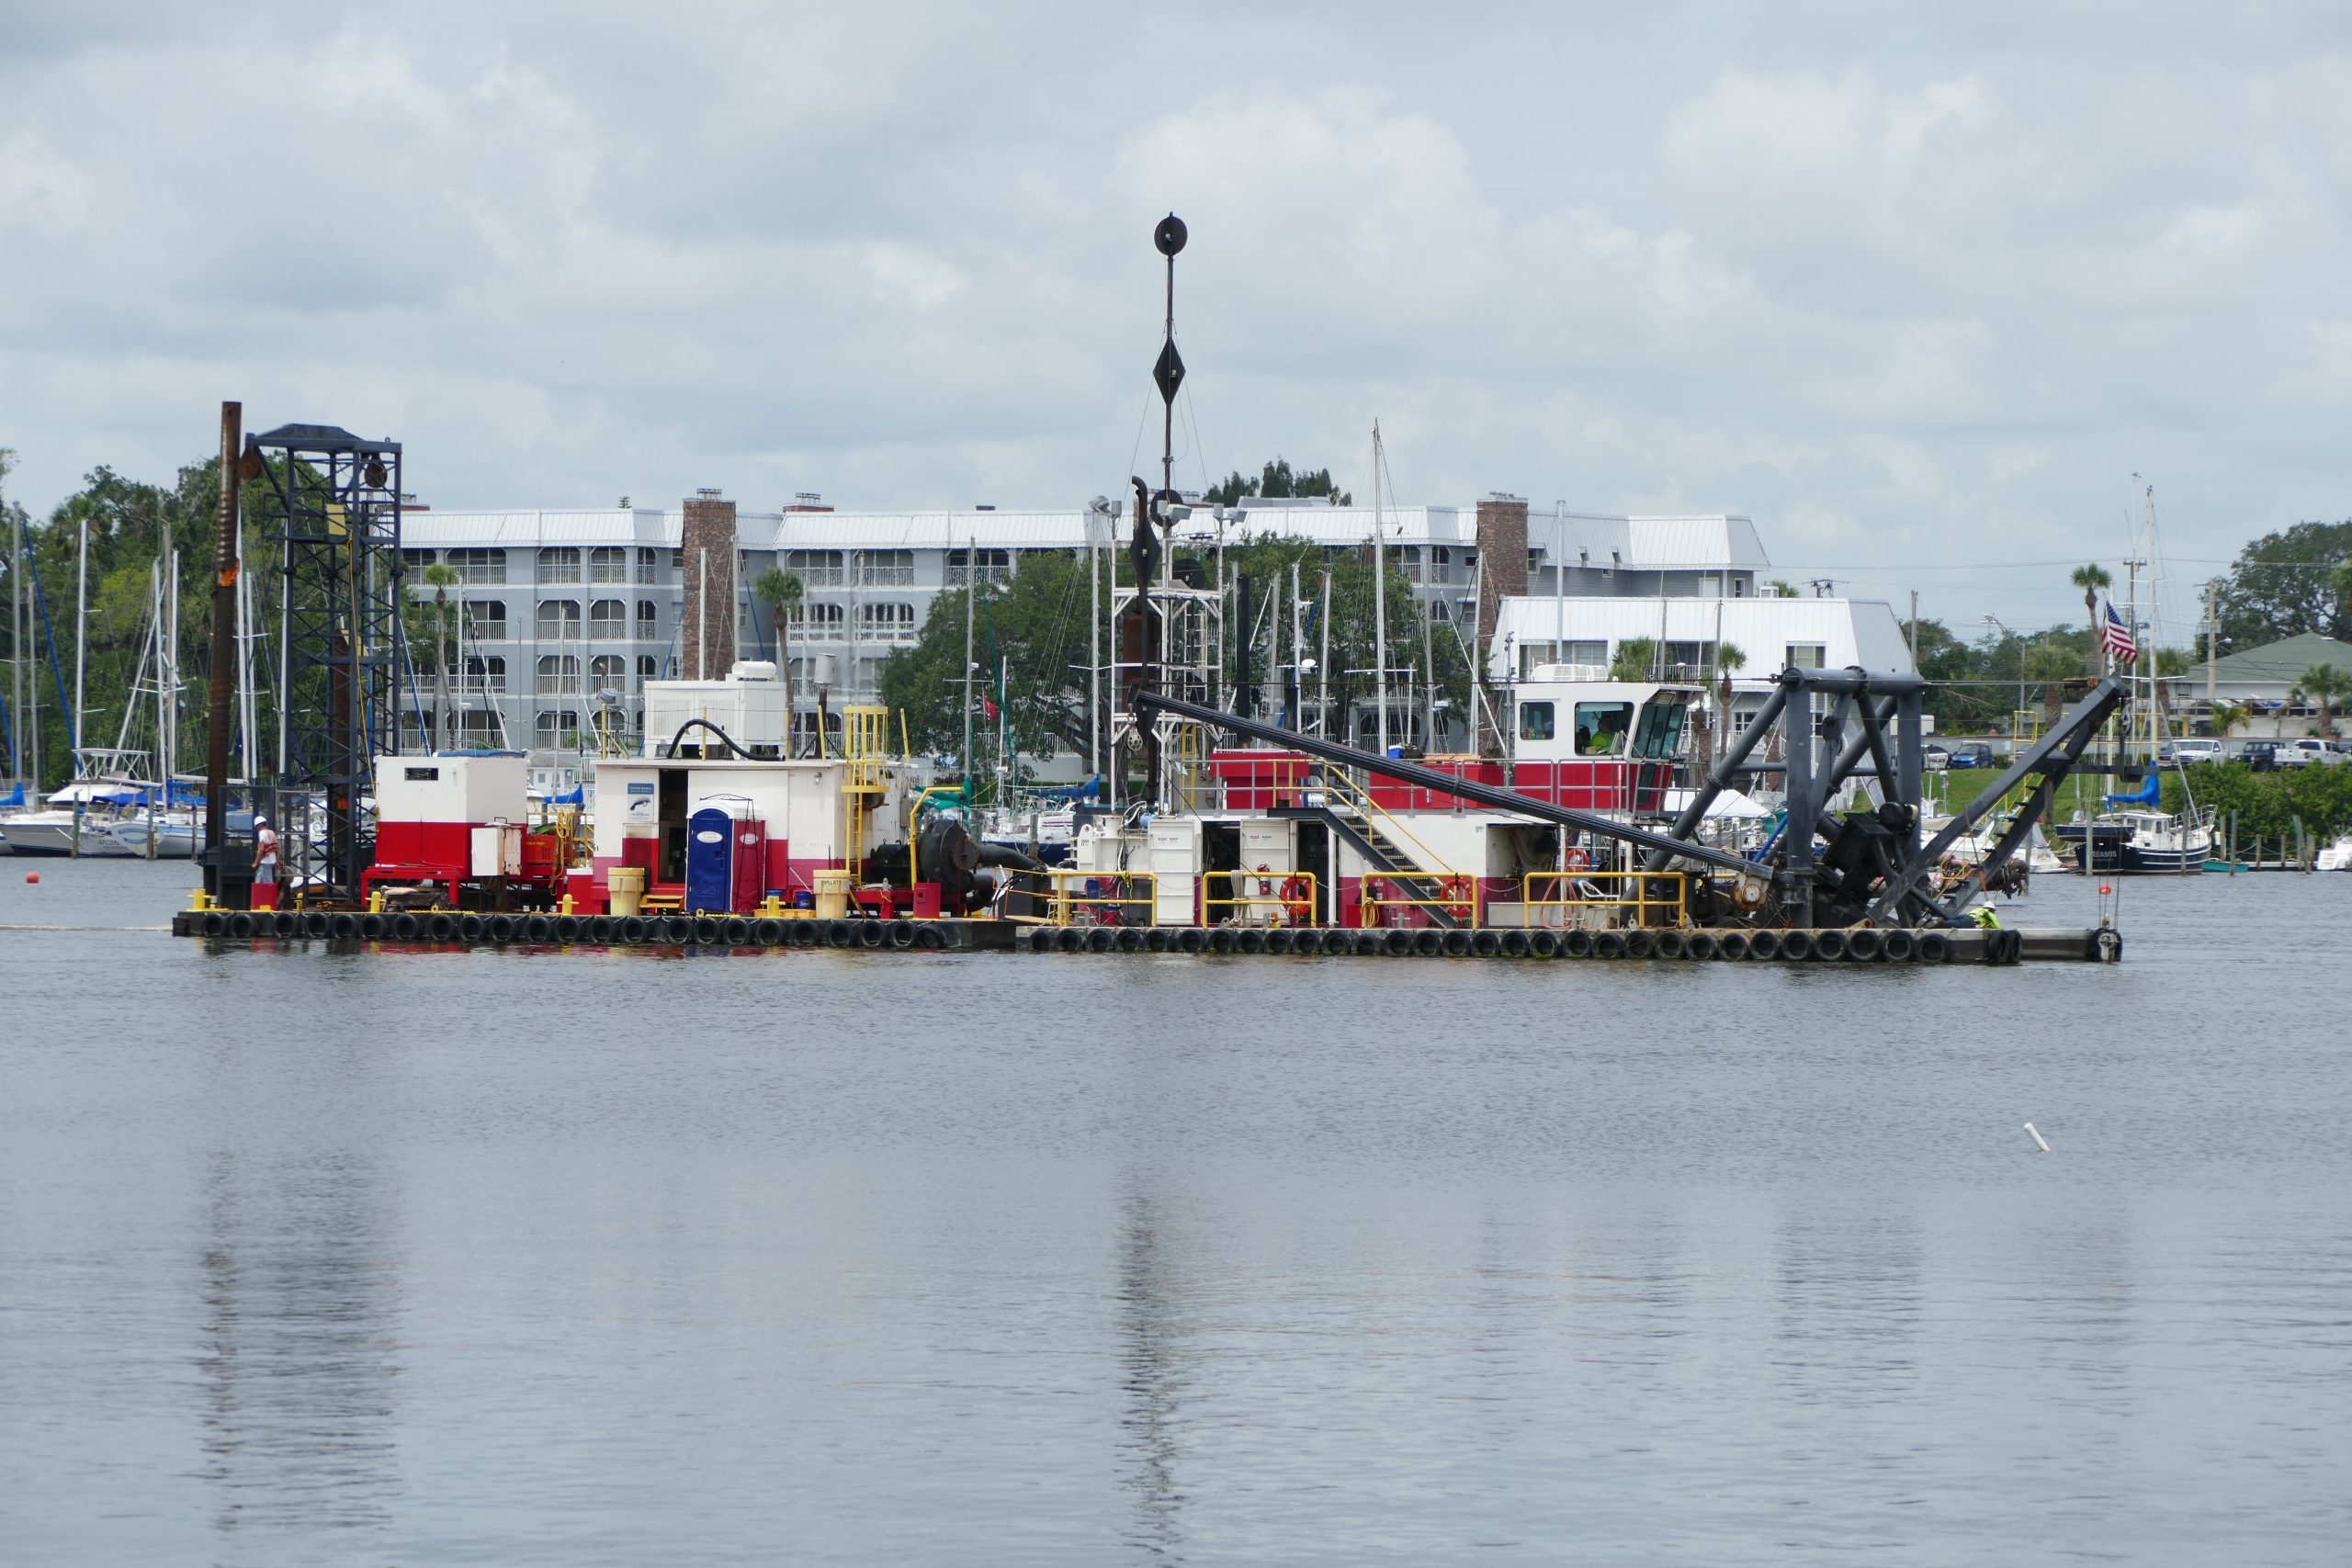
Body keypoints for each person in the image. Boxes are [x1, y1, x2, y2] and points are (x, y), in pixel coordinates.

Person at [252, 814, 279, 911]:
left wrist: (256, 862)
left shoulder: (262, 833)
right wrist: (277, 862)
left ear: (259, 825)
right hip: (272, 861)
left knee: (266, 883)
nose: (256, 829)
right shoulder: (271, 832)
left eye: (256, 826)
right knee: (260, 881)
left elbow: (261, 849)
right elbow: (277, 848)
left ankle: (265, 904)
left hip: (265, 862)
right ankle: (262, 903)